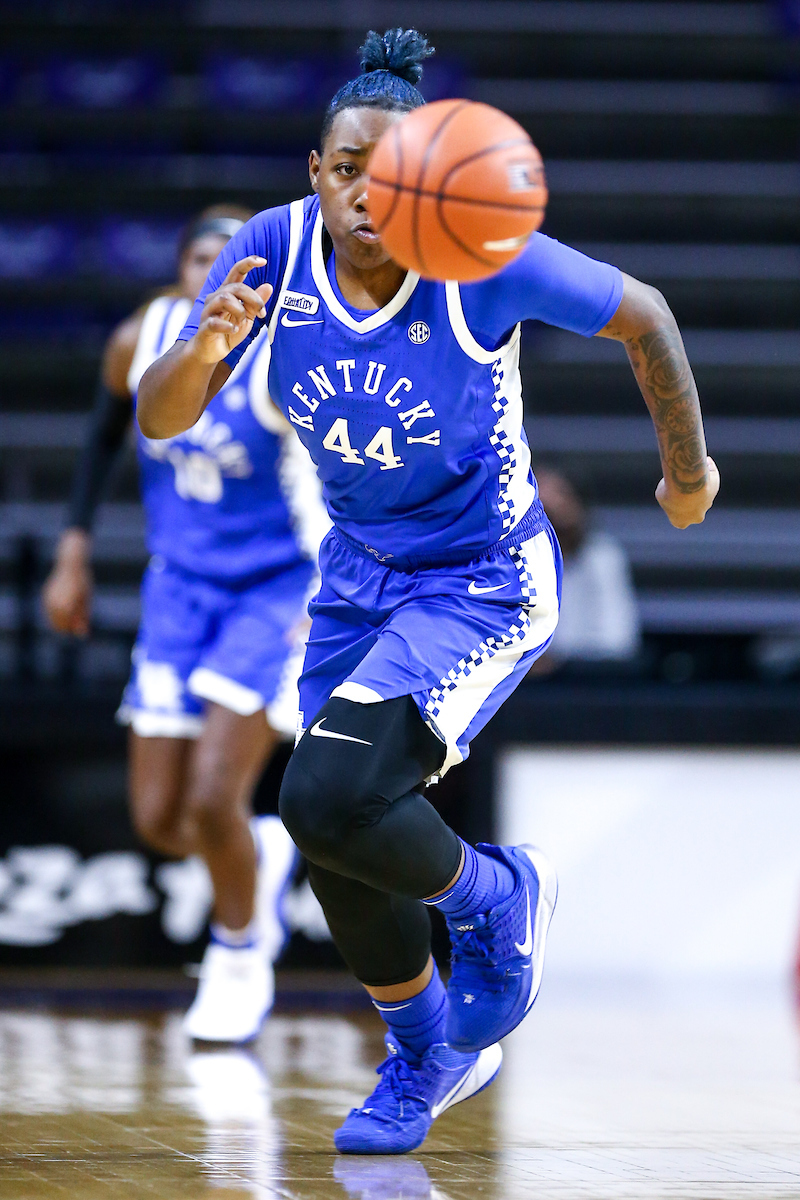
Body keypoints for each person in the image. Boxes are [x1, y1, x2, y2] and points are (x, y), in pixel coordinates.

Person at [137, 29, 720, 1153]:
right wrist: (203, 352)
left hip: (481, 579)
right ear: (317, 173)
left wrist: (686, 472)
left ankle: (495, 898)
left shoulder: (480, 254)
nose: (368, 193)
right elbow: (163, 419)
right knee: (330, 829)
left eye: (391, 172)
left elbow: (643, 311)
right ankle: (426, 1055)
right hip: (358, 573)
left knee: (323, 797)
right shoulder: (268, 253)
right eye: (347, 170)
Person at [43, 205, 329, 1043]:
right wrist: (73, 547)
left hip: (273, 592)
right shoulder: (142, 338)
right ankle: (261, 857)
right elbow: (103, 434)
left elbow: (340, 485)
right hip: (178, 589)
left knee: (211, 800)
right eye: (205, 258)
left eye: (236, 259)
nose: (219, 272)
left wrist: (327, 599)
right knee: (159, 819)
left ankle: (238, 957)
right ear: (181, 270)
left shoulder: (288, 355)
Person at [534, 467, 641, 666]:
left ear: (579, 505)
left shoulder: (602, 557)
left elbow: (616, 639)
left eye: (560, 496)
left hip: (587, 675)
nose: (549, 506)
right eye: (538, 502)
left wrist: (554, 659)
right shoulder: (507, 562)